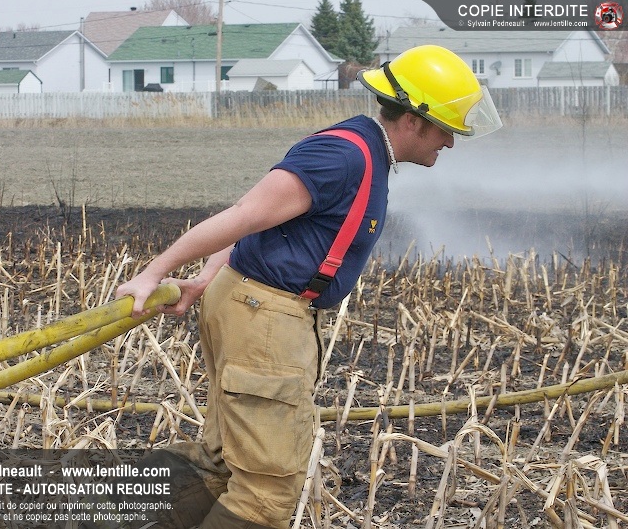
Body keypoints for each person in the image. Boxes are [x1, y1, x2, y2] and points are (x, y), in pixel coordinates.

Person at [114, 44, 502, 528]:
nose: (450, 142)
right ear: (413, 120)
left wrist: (207, 278)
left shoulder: (365, 154)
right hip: (265, 318)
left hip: (255, 307)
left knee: (222, 462)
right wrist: (153, 274)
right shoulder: (344, 156)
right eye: (447, 129)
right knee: (265, 494)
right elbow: (245, 214)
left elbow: (262, 220)